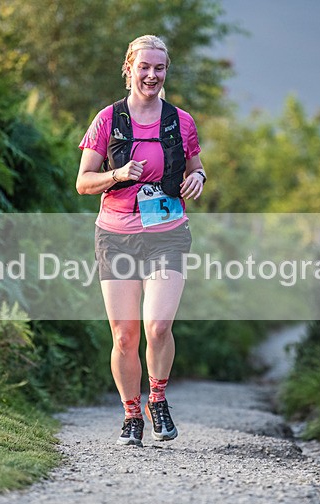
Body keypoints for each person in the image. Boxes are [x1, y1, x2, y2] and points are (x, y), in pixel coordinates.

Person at [76, 34, 207, 447]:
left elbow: (196, 164)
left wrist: (197, 177)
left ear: (166, 71)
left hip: (167, 233)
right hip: (115, 236)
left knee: (159, 325)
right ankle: (132, 414)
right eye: (144, 67)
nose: (152, 75)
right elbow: (82, 182)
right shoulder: (107, 119)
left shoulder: (180, 120)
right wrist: (117, 175)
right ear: (129, 68)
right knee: (124, 335)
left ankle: (158, 399)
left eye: (160, 68)